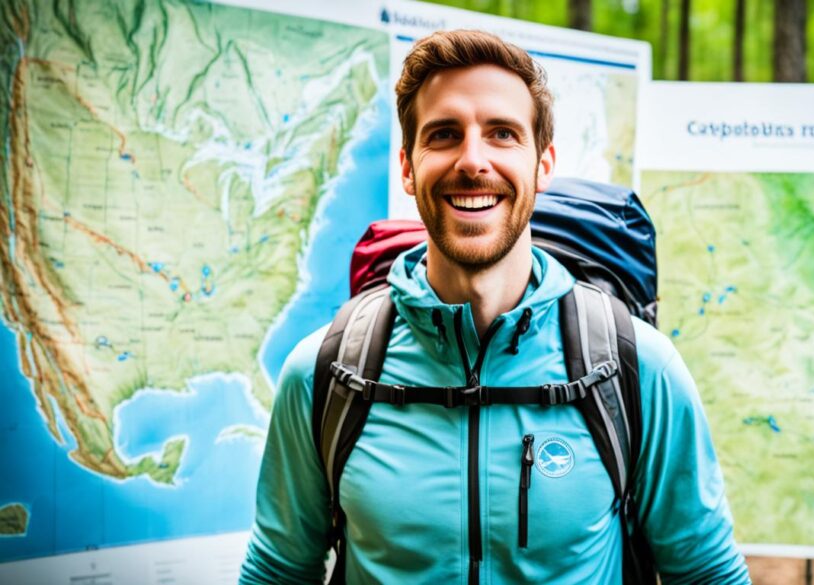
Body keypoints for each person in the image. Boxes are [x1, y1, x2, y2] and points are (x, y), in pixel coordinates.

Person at [239, 29, 750, 584]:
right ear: (408, 167)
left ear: (543, 164)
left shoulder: (635, 369)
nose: (473, 160)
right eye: (444, 134)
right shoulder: (327, 375)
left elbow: (706, 572)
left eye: (503, 134)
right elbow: (277, 570)